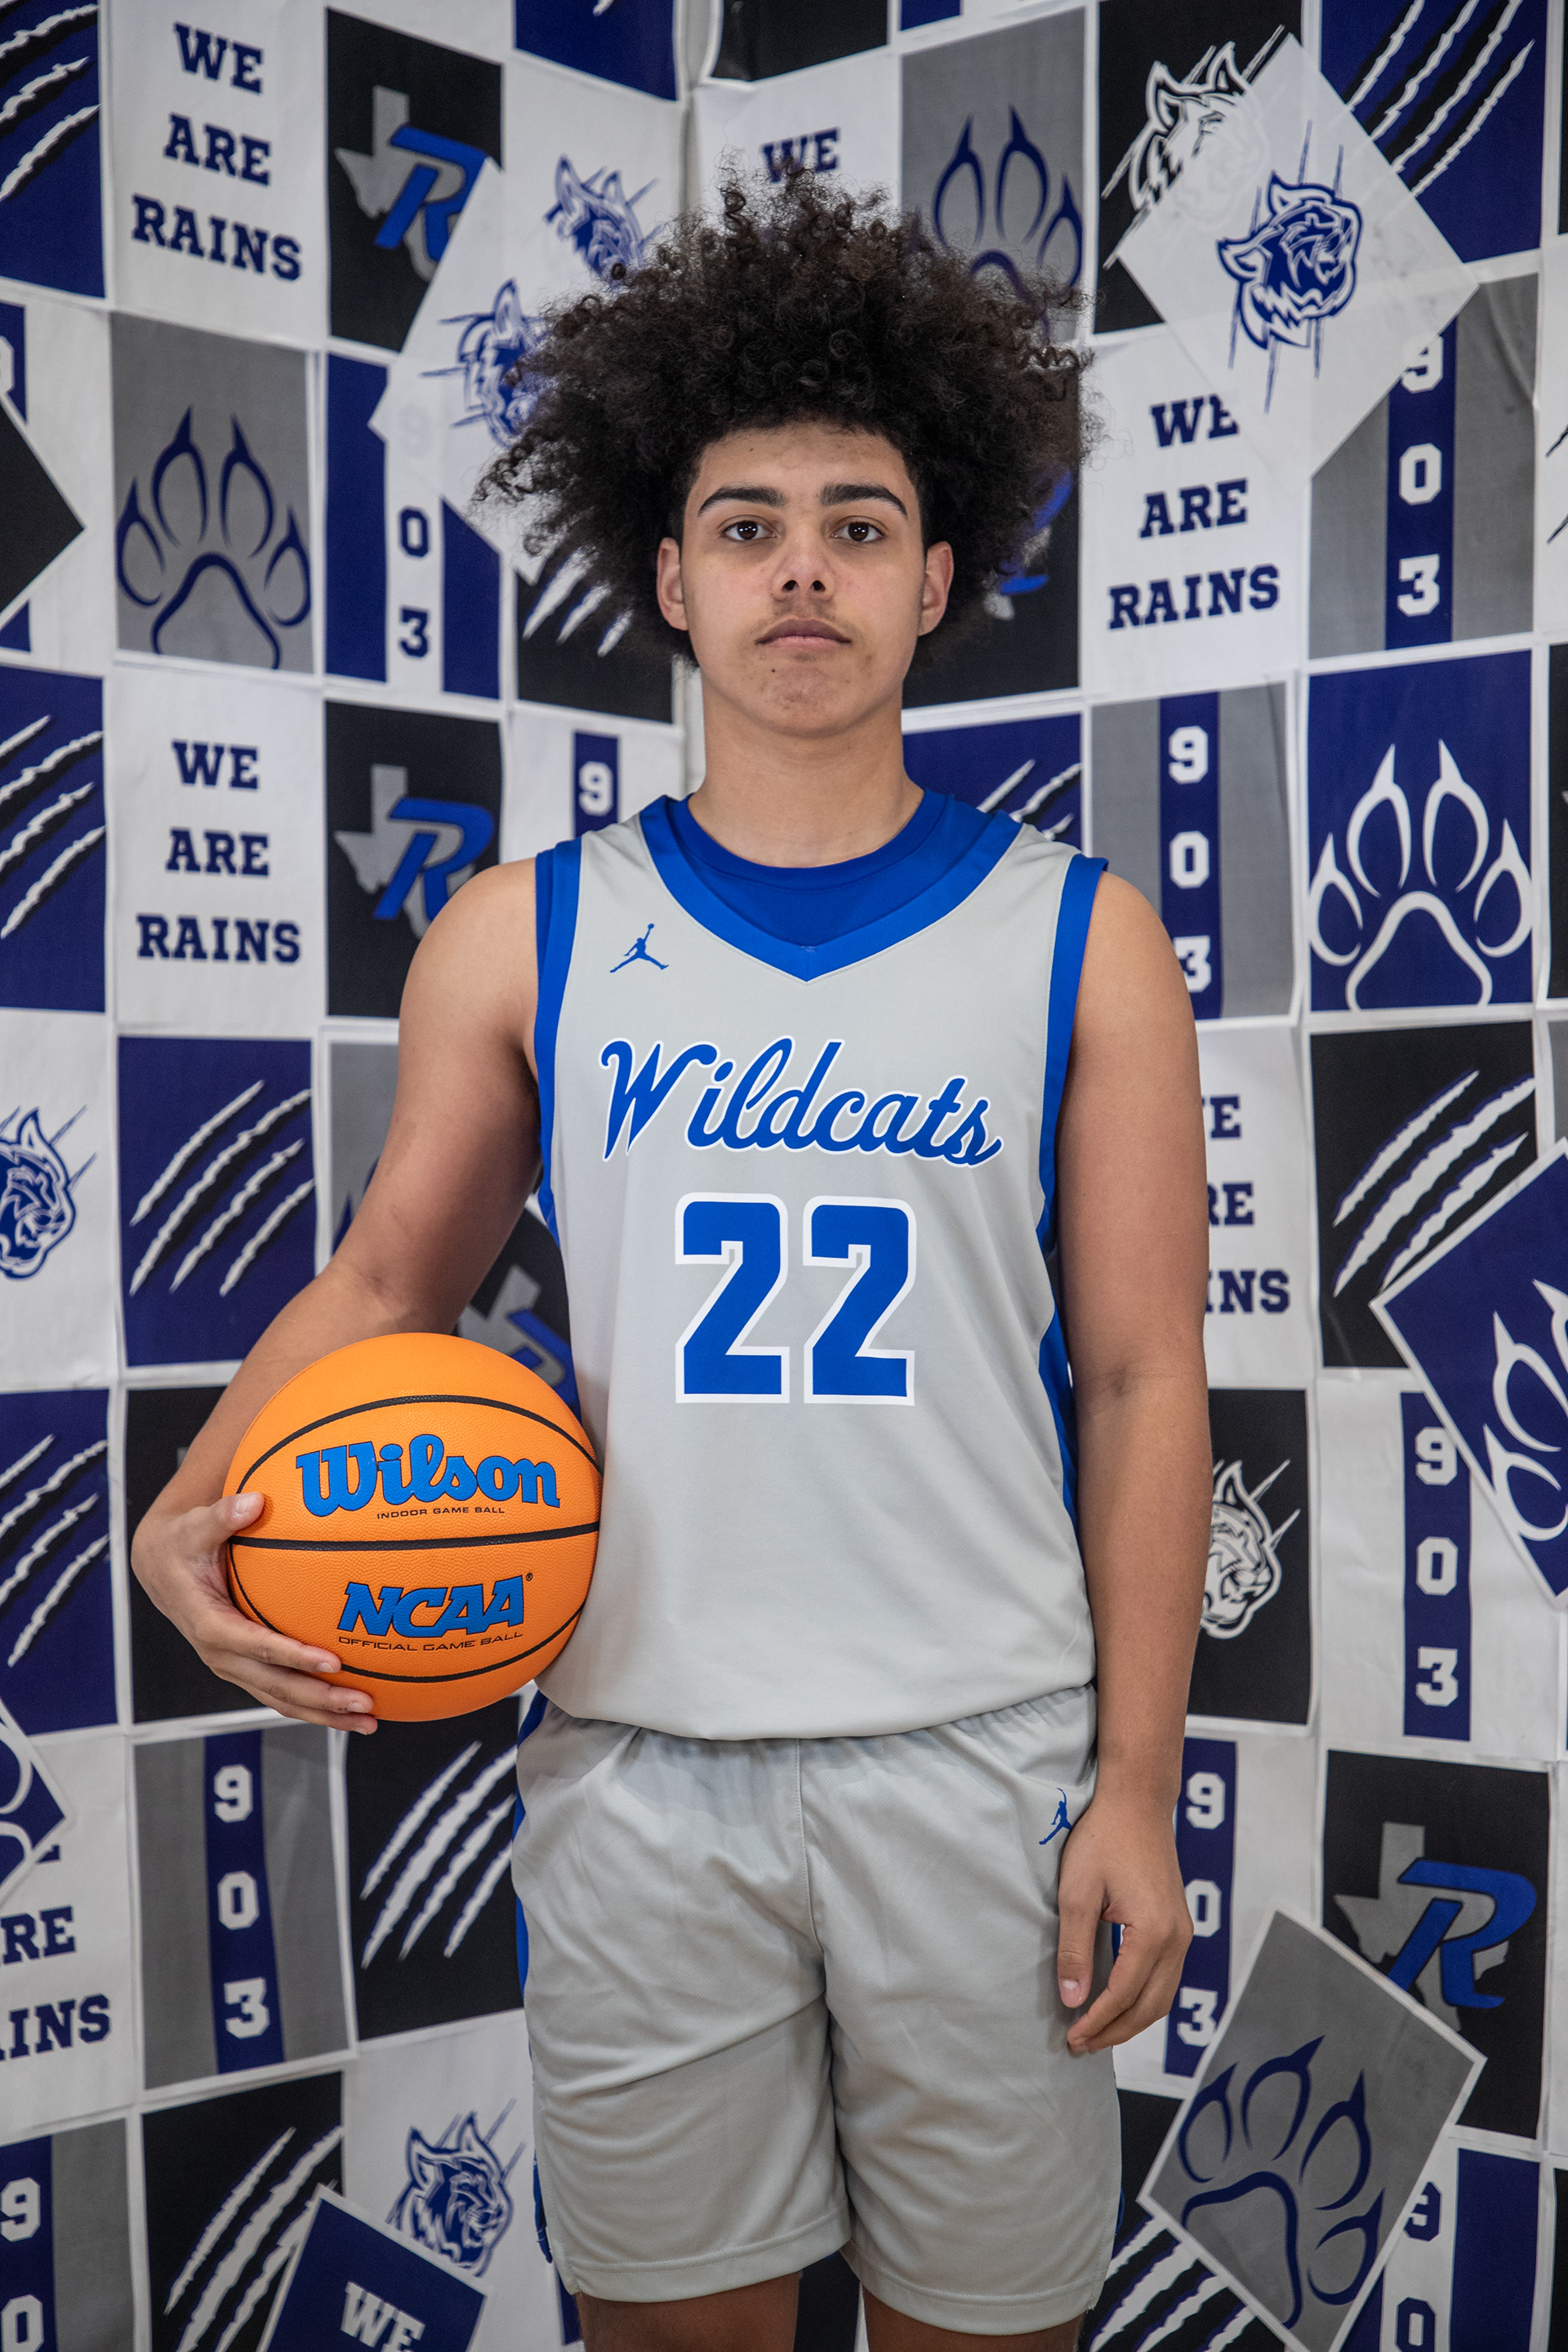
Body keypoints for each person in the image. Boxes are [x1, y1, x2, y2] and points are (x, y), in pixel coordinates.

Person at [135, 174, 1210, 2352]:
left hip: (984, 1765)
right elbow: (385, 1280)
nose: (802, 565)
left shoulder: (1086, 940)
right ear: (669, 575)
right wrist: (195, 1490)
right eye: (748, 525)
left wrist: (1133, 1788)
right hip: (638, 1763)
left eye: (857, 524)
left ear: (936, 581)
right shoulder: (520, 932)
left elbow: (1141, 1380)